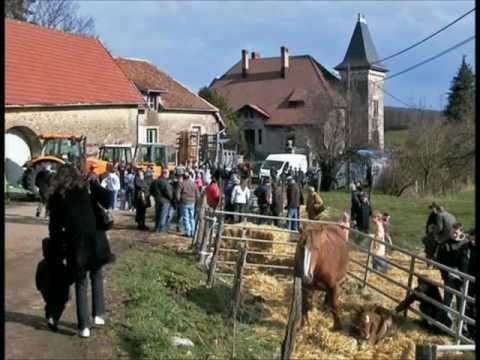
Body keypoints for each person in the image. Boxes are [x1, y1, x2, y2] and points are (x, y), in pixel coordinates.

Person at [48, 164, 114, 338]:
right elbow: (108, 200)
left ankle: (84, 327)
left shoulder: (56, 196)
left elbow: (54, 226)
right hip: (95, 237)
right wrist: (96, 184)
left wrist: (56, 247)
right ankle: (98, 314)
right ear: (77, 175)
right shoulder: (86, 186)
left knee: (80, 281)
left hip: (75, 241)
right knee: (96, 274)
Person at [435, 222, 470, 328]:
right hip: (449, 278)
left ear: (461, 232)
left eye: (455, 233)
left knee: (462, 304)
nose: (453, 234)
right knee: (447, 302)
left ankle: (461, 328)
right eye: (452, 232)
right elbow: (439, 262)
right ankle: (447, 326)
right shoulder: (444, 245)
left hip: (463, 279)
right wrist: (445, 275)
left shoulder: (466, 244)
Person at [35, 237, 71, 331]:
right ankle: (53, 318)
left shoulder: (41, 264)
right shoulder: (60, 266)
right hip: (58, 290)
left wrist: (39, 287)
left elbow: (38, 278)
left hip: (45, 290)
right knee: (60, 304)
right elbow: (66, 279)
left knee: (50, 303)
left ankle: (50, 317)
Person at [150, 169, 174, 233]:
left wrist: (155, 196)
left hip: (157, 200)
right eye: (168, 174)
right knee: (163, 216)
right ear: (165, 174)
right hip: (165, 201)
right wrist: (171, 199)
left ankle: (156, 228)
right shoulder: (165, 182)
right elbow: (169, 193)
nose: (169, 175)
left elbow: (151, 190)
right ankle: (161, 229)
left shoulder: (155, 181)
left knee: (157, 215)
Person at [178, 172, 198, 237]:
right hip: (192, 202)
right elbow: (198, 194)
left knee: (186, 217)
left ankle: (188, 232)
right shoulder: (194, 184)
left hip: (184, 202)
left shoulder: (181, 184)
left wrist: (178, 200)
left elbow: (178, 194)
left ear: (183, 177)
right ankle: (193, 232)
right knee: (192, 218)